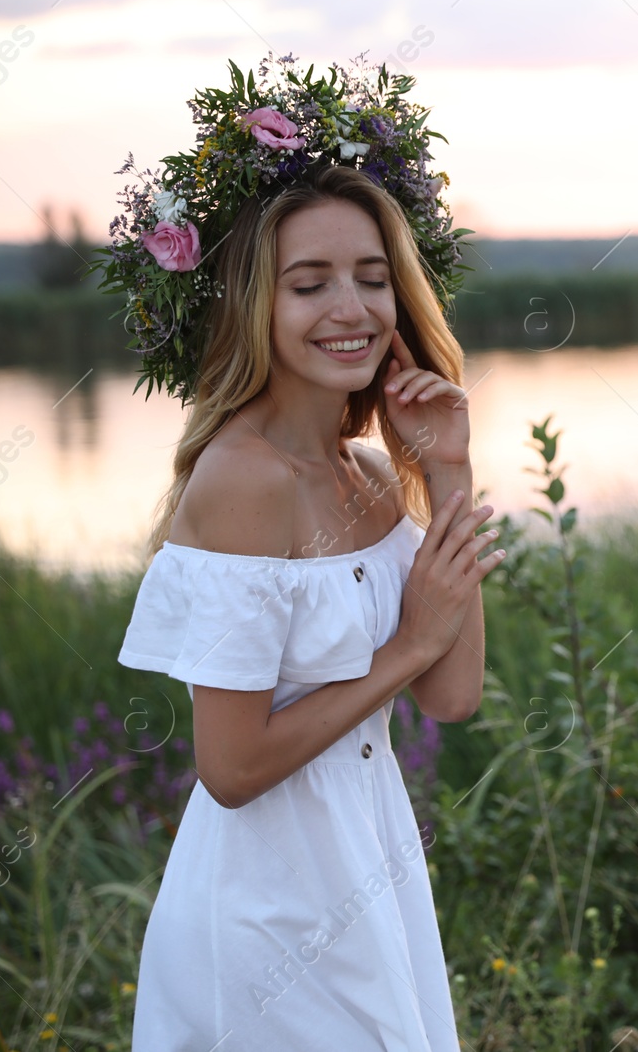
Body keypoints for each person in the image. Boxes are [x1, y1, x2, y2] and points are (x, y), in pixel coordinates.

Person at [107, 55, 494, 1050]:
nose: (350, 308)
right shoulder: (243, 480)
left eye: (372, 278)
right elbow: (232, 767)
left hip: (368, 871)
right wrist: (405, 645)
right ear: (252, 306)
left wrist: (446, 469)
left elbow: (453, 697)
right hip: (265, 907)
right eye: (309, 282)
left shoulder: (367, 473)